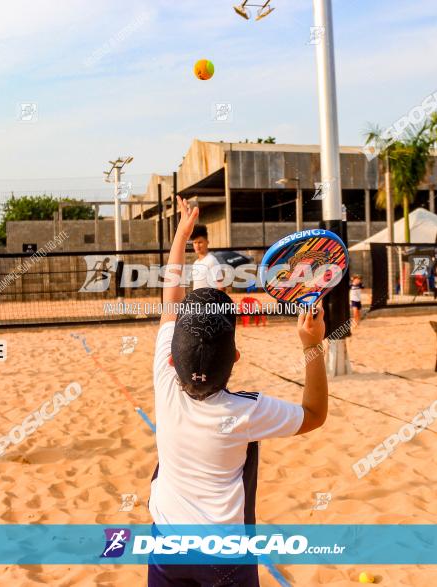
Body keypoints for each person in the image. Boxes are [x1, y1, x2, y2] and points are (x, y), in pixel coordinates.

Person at [149, 196, 327, 587]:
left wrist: (180, 235)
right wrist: (312, 344)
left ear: (172, 361)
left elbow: (169, 301)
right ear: (237, 357)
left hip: (166, 546)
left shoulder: (165, 381)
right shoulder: (247, 411)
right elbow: (314, 414)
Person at [189, 224, 222, 290]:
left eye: (200, 242)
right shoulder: (196, 263)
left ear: (207, 242)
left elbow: (220, 285)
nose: (197, 246)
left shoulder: (211, 260)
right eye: (195, 243)